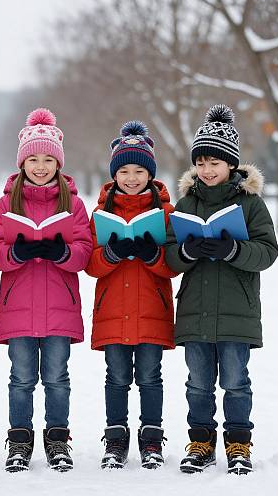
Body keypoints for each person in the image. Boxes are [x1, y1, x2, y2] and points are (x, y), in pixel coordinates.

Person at [164, 104, 278, 475]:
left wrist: (233, 249)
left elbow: (267, 251)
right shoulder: (184, 204)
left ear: (231, 164)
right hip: (195, 312)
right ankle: (200, 442)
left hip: (237, 313)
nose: (207, 170)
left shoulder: (251, 204)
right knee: (198, 384)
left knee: (235, 382)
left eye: (215, 162)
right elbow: (168, 258)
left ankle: (238, 444)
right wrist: (186, 250)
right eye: (201, 163)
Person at [0, 108, 92, 472]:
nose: (41, 166)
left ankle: (58, 440)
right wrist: (15, 252)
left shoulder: (73, 204)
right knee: (20, 378)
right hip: (18, 307)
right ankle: (19, 440)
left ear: (59, 163)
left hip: (59, 308)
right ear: (22, 163)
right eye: (33, 159)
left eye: (48, 159)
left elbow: (84, 251)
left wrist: (62, 252)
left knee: (57, 378)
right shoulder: (6, 203)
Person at [86, 120, 177, 469]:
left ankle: (151, 439)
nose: (132, 177)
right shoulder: (101, 213)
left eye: (140, 170)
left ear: (151, 174)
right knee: (117, 377)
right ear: (114, 174)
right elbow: (90, 265)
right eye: (124, 170)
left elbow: (174, 265)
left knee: (151, 376)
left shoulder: (166, 213)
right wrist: (110, 254)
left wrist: (152, 256)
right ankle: (116, 438)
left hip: (152, 308)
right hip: (113, 310)